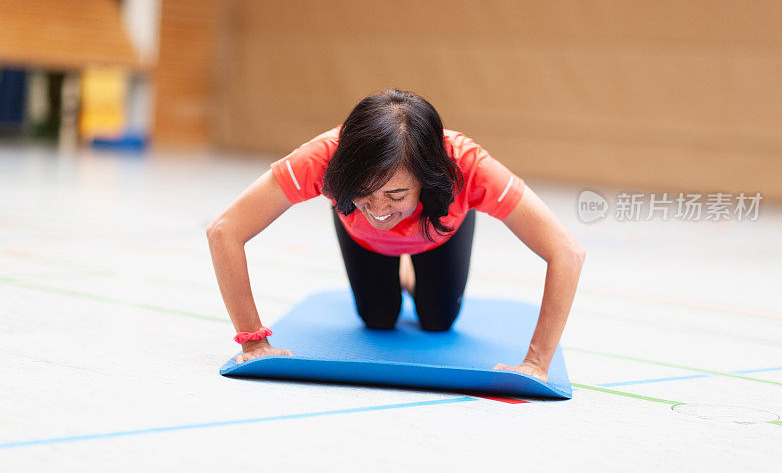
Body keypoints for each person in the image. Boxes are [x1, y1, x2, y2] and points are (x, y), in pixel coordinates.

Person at [206, 89, 585, 382]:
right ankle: (400, 273)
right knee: (377, 317)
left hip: (439, 232)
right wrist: (253, 341)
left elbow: (566, 252)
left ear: (427, 178)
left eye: (396, 195)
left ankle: (411, 275)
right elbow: (224, 231)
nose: (379, 209)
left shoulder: (469, 167)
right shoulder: (323, 157)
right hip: (363, 239)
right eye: (364, 192)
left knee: (438, 319)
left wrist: (536, 362)